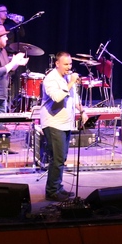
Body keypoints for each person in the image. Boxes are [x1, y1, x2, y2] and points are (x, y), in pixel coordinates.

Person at [40, 52, 84, 202]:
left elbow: (74, 98)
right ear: (57, 64)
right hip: (53, 123)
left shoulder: (67, 78)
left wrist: (82, 111)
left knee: (61, 157)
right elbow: (58, 97)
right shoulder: (50, 79)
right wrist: (71, 82)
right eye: (66, 64)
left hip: (65, 123)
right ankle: (51, 191)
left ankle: (57, 187)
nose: (69, 67)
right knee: (57, 158)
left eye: (70, 64)